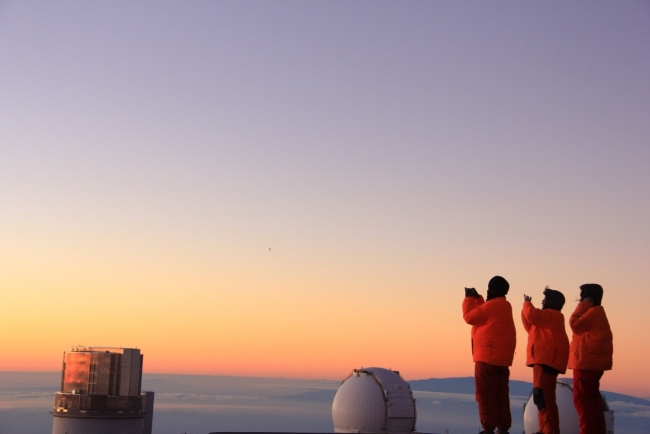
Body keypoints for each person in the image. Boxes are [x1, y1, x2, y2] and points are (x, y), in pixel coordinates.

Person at [462, 276, 517, 434]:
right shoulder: (505, 306)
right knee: (501, 395)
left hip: (487, 356)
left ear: (492, 290)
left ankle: (488, 427)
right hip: (502, 359)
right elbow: (484, 313)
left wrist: (468, 299)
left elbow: (470, 317)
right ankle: (503, 427)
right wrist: (478, 298)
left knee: (485, 394)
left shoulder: (491, 306)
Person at [521, 287, 570, 434]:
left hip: (546, 361)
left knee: (543, 397)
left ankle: (549, 430)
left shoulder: (551, 315)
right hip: (545, 361)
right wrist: (525, 308)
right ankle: (545, 429)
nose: (543, 301)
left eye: (545, 299)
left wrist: (527, 304)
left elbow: (531, 316)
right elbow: (530, 326)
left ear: (552, 302)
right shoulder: (548, 319)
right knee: (541, 397)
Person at [568, 283, 613, 434]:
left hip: (586, 366)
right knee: (593, 404)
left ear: (589, 298)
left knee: (583, 404)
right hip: (592, 365)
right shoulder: (598, 314)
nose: (580, 300)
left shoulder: (592, 313)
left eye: (583, 297)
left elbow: (574, 324)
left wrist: (583, 305)